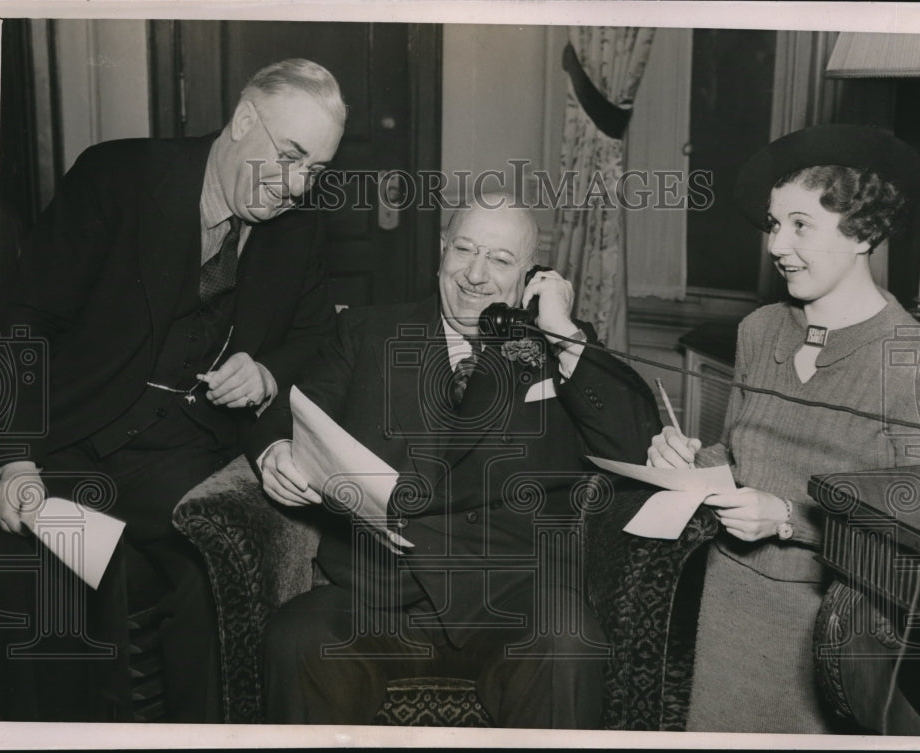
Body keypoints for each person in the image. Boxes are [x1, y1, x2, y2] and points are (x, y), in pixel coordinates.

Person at [0, 58, 345, 722]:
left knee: (210, 573)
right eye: (291, 156)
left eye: (315, 170)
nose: (296, 186)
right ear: (244, 120)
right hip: (69, 440)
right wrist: (14, 457)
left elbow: (317, 340)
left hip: (182, 450)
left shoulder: (298, 231)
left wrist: (267, 369)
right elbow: (26, 320)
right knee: (73, 577)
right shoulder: (117, 178)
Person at [245, 195, 661, 727]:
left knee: (567, 642)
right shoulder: (367, 333)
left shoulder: (556, 347)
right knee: (295, 638)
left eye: (501, 260)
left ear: (532, 276)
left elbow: (637, 443)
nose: (476, 276)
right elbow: (283, 412)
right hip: (378, 598)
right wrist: (276, 449)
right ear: (441, 252)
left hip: (514, 601)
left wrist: (564, 334)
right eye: (464, 250)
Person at [647, 124, 920, 733]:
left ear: (863, 231)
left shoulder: (914, 362)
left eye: (799, 225)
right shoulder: (760, 331)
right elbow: (740, 457)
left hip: (837, 632)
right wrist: (688, 462)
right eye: (772, 225)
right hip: (729, 606)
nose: (776, 245)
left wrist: (790, 519)